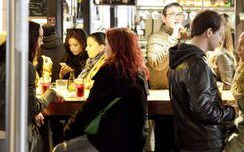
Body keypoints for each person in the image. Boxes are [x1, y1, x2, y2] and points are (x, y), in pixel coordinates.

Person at [58, 28, 149, 152]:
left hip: (109, 140)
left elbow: (90, 108)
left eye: (107, 45)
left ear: (116, 47)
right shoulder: (139, 71)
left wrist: (69, 131)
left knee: (60, 149)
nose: (105, 48)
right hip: (135, 141)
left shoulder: (110, 71)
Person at [168, 10, 235, 152]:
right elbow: (204, 111)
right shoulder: (197, 63)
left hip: (188, 140)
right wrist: (232, 111)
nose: (220, 40)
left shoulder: (179, 58)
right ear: (209, 32)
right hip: (204, 143)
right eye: (219, 34)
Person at [0, 22, 63, 152]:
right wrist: (51, 93)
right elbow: (31, 109)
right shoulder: (24, 65)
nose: (41, 43)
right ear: (30, 39)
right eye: (40, 38)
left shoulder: (4, 59)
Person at [146, 2, 184, 152]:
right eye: (172, 14)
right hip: (163, 100)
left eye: (179, 14)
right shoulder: (156, 38)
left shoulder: (181, 36)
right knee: (165, 143)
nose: (176, 18)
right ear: (163, 18)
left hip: (178, 99)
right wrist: (174, 38)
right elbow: (156, 63)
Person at [207, 15, 236, 90]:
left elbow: (228, 86)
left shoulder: (223, 55)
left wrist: (207, 85)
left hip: (221, 99)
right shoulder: (212, 52)